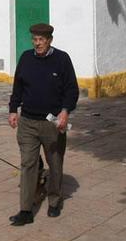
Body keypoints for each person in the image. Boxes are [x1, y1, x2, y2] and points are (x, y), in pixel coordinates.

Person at [8, 23, 79, 226]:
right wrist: (13, 110)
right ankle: (26, 210)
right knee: (28, 163)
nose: (37, 43)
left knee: (55, 163)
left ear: (50, 40)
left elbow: (71, 90)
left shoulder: (62, 59)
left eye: (41, 40)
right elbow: (18, 87)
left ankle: (55, 200)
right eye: (34, 39)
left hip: (52, 123)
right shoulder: (26, 58)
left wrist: (65, 111)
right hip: (28, 122)